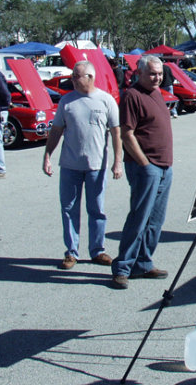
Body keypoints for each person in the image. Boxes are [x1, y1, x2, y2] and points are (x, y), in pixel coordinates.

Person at [43, 60, 122, 270]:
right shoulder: (66, 101)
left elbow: (116, 133)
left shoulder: (106, 101)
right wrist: (47, 155)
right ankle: (71, 252)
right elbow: (57, 130)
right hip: (70, 165)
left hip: (96, 165)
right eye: (72, 76)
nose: (73, 80)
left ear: (90, 77)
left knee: (96, 209)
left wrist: (117, 162)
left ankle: (98, 250)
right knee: (69, 209)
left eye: (77, 76)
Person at [111, 55, 174, 288]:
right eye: (152, 74)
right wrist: (145, 164)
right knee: (139, 219)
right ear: (140, 73)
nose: (157, 78)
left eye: (159, 74)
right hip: (146, 167)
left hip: (165, 166)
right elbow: (126, 134)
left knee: (155, 220)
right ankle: (122, 267)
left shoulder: (156, 93)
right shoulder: (132, 96)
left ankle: (143, 263)